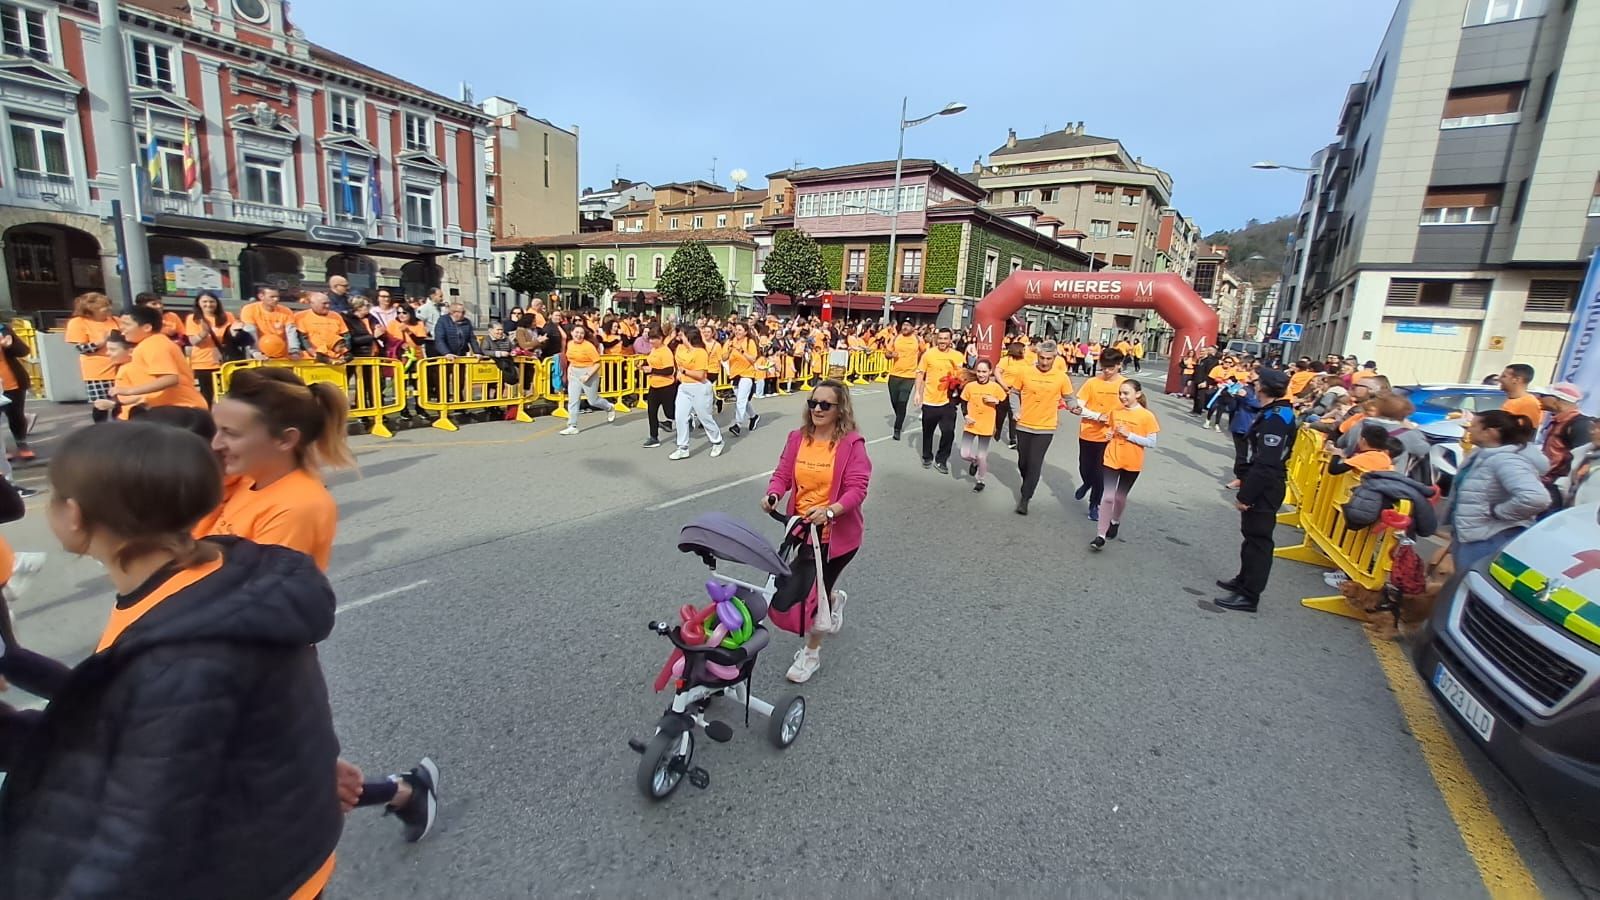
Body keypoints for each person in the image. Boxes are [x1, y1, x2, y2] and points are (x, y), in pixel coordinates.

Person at [0, 422, 342, 899]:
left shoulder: (179, 652)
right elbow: (124, 709)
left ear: (74, 515)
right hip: (284, 840)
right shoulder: (222, 577)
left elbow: (137, 835)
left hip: (248, 872)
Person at [198, 366, 439, 842]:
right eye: (215, 428)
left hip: (260, 665)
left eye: (230, 432)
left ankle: (404, 792)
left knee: (280, 785)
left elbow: (254, 604)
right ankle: (404, 792)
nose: (216, 443)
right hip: (216, 654)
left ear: (285, 439)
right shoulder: (242, 481)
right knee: (283, 778)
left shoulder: (298, 505)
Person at [762, 379, 871, 684]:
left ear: (840, 409)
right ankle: (835, 600)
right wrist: (773, 494)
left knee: (813, 597)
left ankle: (811, 654)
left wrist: (831, 510)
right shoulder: (798, 438)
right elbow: (783, 473)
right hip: (802, 530)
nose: (817, 409)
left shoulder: (851, 444)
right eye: (813, 403)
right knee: (810, 589)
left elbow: (857, 489)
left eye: (825, 404)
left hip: (837, 537)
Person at [1208, 368, 1296, 614]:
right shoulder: (1271, 412)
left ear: (1265, 388)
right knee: (1251, 537)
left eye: (1257, 383)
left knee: (1258, 541)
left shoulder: (1277, 417)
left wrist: (1246, 495)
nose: (1254, 387)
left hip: (1265, 487)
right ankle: (1243, 581)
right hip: (1259, 481)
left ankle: (1250, 595)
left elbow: (1267, 462)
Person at [1447, 410, 1550, 573]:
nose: (1468, 430)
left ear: (1491, 432)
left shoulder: (1506, 460)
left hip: (1489, 539)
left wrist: (1499, 512)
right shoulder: (1482, 455)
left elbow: (1536, 497)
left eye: (1473, 426)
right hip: (1473, 534)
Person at [1004, 339, 1076, 516]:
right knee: (1023, 462)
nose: (1045, 362)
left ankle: (1025, 498)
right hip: (1024, 424)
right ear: (1037, 356)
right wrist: (1016, 411)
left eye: (1049, 359)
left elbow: (1069, 398)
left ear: (1054, 358)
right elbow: (1014, 393)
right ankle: (1027, 481)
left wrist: (1074, 406)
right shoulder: (1025, 372)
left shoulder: (1061, 377)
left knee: (1035, 463)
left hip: (1046, 427)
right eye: (1042, 358)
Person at [1091, 379, 1159, 550]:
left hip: (1132, 461)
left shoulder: (1146, 416)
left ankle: (1115, 521)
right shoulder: (1115, 411)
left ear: (1138, 394)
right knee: (1107, 497)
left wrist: (1129, 435)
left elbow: (1152, 442)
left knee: (1120, 497)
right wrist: (1109, 434)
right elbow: (1112, 429)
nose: (1122, 396)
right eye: (1120, 393)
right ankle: (1100, 535)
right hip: (1112, 457)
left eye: (1126, 393)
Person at [111, 305, 208, 418]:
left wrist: (129, 391)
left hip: (182, 411)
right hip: (173, 410)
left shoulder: (154, 344)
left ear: (147, 327)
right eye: (121, 324)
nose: (122, 329)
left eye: (127, 324)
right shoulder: (149, 344)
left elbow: (170, 378)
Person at [1071, 348, 1127, 522]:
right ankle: (1087, 482)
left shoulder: (1125, 385)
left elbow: (1132, 407)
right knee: (1085, 468)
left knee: (1101, 473)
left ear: (1119, 365)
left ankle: (1094, 504)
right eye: (1104, 367)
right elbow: (1078, 406)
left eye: (1111, 368)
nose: (1107, 371)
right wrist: (1096, 416)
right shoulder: (1092, 383)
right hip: (1088, 432)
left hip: (1111, 437)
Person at [913, 328, 965, 473]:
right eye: (940, 338)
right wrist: (917, 392)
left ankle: (941, 460)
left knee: (948, 432)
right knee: (928, 431)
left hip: (948, 400)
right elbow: (920, 373)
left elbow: (962, 375)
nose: (942, 341)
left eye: (945, 338)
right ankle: (926, 455)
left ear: (950, 340)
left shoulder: (958, 356)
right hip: (930, 400)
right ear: (937, 339)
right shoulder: (928, 354)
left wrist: (957, 383)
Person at [1536, 383, 1592, 512]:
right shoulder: (1557, 422)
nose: (1539, 398)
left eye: (1544, 395)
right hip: (1547, 483)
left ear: (1556, 400)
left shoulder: (1578, 425)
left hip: (1558, 487)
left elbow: (1582, 460)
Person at [669, 327, 724, 459]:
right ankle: (682, 447)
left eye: (682, 335)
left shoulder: (700, 352)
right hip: (684, 387)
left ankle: (717, 441)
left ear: (689, 337)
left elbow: (701, 375)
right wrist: (679, 372)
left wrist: (684, 371)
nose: (679, 337)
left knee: (705, 417)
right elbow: (675, 359)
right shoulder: (680, 348)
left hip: (699, 388)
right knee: (680, 417)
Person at [65, 291, 119, 423]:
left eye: (108, 305)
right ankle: (100, 430)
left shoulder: (116, 320)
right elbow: (82, 348)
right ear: (90, 309)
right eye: (104, 307)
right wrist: (101, 342)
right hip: (98, 372)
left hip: (120, 367)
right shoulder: (78, 322)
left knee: (120, 403)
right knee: (101, 405)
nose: (108, 309)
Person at [558, 323, 617, 435]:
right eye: (576, 333)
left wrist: (587, 375)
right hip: (574, 373)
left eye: (581, 333)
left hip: (589, 372)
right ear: (572, 333)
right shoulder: (570, 344)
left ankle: (609, 407)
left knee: (593, 400)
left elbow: (597, 363)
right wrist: (570, 369)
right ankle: (572, 425)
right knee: (573, 400)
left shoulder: (588, 346)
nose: (579, 335)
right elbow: (570, 358)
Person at [959, 359, 1006, 492]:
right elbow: (963, 402)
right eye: (979, 371)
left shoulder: (995, 387)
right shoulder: (970, 386)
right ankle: (974, 462)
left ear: (990, 372)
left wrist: (996, 401)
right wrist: (966, 415)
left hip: (986, 425)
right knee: (964, 453)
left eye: (984, 372)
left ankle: (981, 480)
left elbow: (1005, 405)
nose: (981, 374)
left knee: (982, 455)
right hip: (971, 424)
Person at [185, 291, 239, 406]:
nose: (208, 305)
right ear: (198, 303)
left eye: (211, 301)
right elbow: (193, 342)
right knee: (208, 395)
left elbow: (234, 336)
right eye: (204, 302)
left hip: (225, 362)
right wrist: (204, 333)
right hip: (203, 362)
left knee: (228, 394)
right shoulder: (193, 318)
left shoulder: (227, 316)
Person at [0, 320, 35, 462]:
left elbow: (24, 351)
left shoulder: (3, 329)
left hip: (12, 382)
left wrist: (10, 345)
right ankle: (2, 449)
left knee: (16, 416)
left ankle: (21, 443)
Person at [639, 325, 676, 449]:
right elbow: (650, 361)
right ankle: (653, 437)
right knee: (651, 411)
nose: (651, 342)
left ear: (660, 338)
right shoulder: (653, 349)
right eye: (650, 339)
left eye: (654, 339)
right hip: (654, 385)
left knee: (670, 413)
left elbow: (670, 370)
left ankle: (687, 418)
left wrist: (652, 370)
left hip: (666, 386)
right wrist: (643, 365)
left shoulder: (665, 351)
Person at [885, 320, 921, 440]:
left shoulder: (917, 339)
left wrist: (920, 367)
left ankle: (897, 429)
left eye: (908, 325)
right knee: (895, 402)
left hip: (909, 377)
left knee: (902, 402)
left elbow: (924, 352)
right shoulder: (896, 338)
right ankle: (900, 416)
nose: (905, 327)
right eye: (904, 325)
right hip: (894, 375)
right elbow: (887, 353)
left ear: (912, 328)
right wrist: (891, 355)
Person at [239, 285, 296, 361]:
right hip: (259, 354)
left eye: (278, 297)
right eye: (272, 297)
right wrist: (255, 352)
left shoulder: (286, 311)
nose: (276, 299)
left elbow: (291, 332)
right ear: (261, 296)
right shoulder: (249, 309)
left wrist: (294, 351)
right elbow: (250, 331)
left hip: (281, 355)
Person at [291, 291, 350, 363]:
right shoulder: (300, 317)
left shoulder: (336, 316)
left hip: (336, 359)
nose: (328, 306)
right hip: (310, 360)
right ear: (312, 304)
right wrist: (314, 353)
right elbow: (302, 338)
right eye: (324, 303)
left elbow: (346, 335)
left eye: (328, 303)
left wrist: (345, 352)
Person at [725, 322, 762, 436]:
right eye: (736, 329)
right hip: (735, 374)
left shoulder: (749, 342)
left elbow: (753, 359)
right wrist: (729, 350)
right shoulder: (730, 341)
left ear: (746, 332)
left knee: (740, 400)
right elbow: (723, 357)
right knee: (743, 400)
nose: (737, 332)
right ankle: (753, 416)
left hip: (747, 374)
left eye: (740, 330)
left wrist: (741, 350)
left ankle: (738, 424)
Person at [1328, 423, 1398, 475]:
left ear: (1363, 440)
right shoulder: (1385, 458)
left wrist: (1336, 454)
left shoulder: (1367, 457)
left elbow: (1334, 470)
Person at [995, 340, 1028, 449]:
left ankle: (1013, 438)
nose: (1025, 351)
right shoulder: (1006, 360)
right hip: (1004, 390)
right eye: (1023, 349)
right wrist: (1004, 386)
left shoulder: (1025, 362)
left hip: (1017, 393)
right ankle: (997, 431)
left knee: (1014, 415)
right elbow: (997, 372)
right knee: (1000, 414)